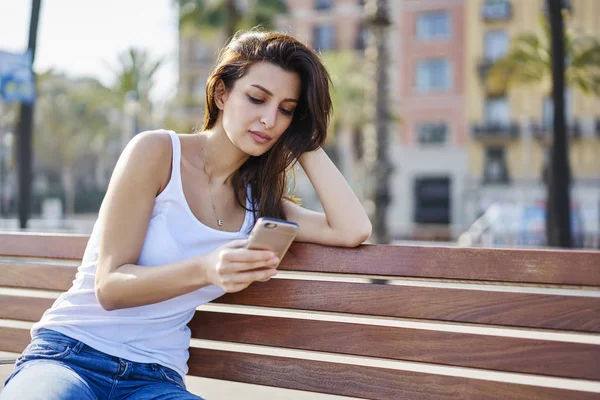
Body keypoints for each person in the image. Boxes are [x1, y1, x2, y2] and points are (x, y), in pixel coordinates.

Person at [0, 30, 372, 399]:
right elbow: (110, 287)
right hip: (71, 356)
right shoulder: (157, 152)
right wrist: (207, 269)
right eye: (257, 99)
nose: (269, 120)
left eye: (286, 109)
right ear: (222, 93)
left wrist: (304, 137)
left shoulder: (261, 203)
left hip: (154, 379)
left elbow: (352, 229)